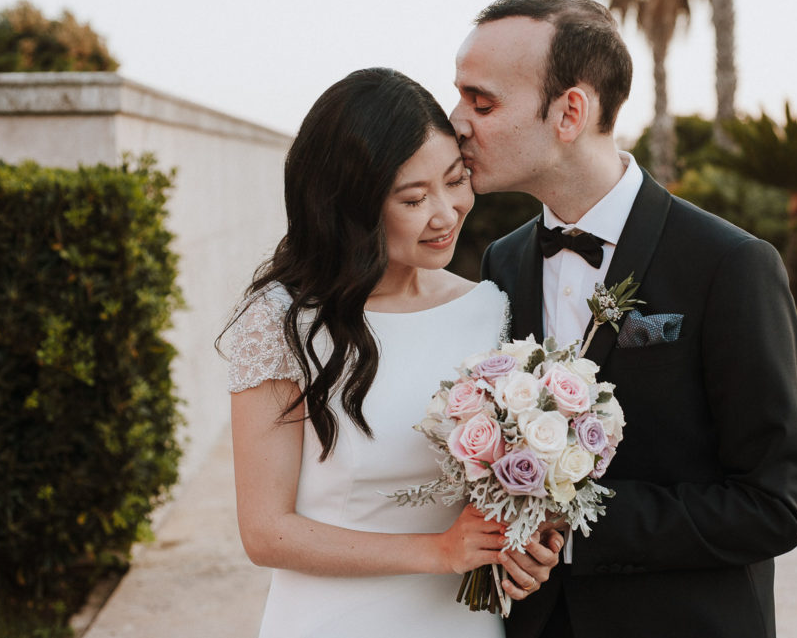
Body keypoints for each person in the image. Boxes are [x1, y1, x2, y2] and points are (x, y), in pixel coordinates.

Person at [451, 0, 797, 638]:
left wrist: (577, 530)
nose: (457, 122)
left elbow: (772, 506)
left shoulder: (730, 265)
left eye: (482, 103)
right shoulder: (502, 264)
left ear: (570, 111)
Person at [221, 67, 560, 638]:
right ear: (353, 207)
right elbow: (266, 532)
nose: (446, 213)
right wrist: (440, 552)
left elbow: (508, 484)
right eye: (413, 198)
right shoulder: (282, 322)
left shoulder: (490, 310)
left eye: (455, 181)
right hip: (332, 620)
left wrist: (531, 537)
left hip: (464, 622)